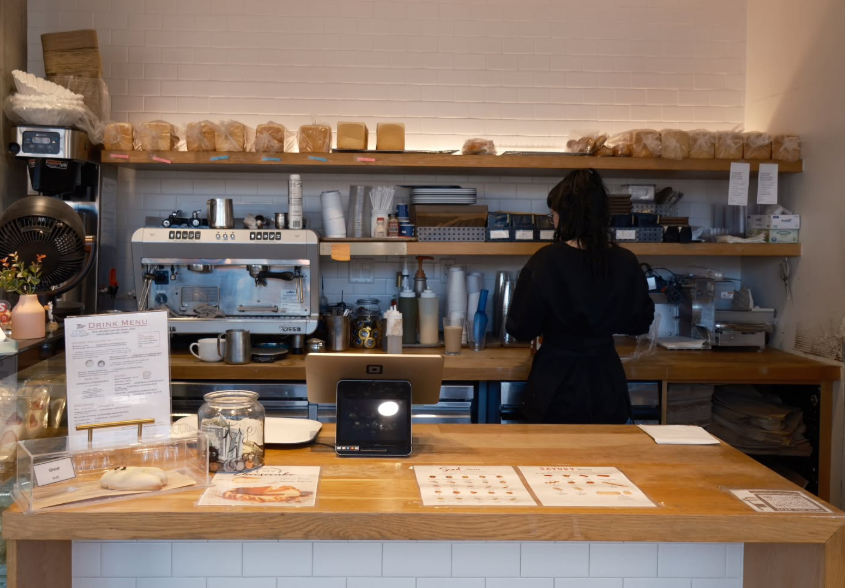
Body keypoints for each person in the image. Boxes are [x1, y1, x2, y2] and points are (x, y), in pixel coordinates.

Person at [505, 168, 655, 424]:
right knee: (607, 461)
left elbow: (520, 327)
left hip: (555, 383)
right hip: (607, 382)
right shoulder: (625, 261)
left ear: (566, 216)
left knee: (551, 463)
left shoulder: (546, 261)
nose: (553, 221)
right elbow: (640, 322)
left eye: (553, 214)